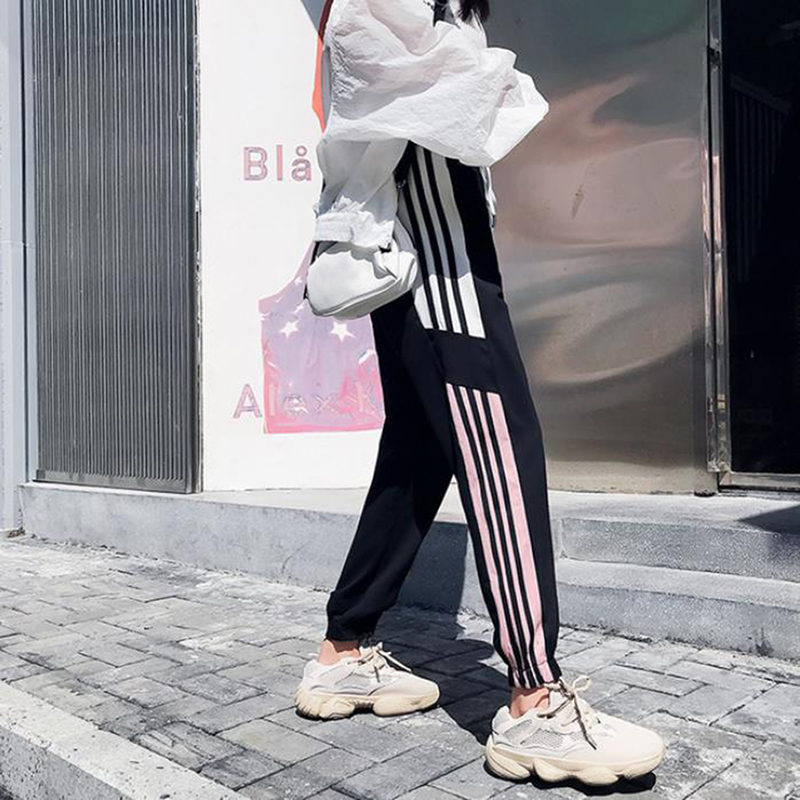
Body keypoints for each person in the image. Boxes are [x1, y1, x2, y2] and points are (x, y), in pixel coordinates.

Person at [295, 0, 665, 785]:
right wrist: (495, 76)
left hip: (424, 215)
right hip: (430, 218)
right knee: (498, 432)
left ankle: (343, 650)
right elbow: (439, 88)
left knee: (423, 446)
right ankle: (535, 700)